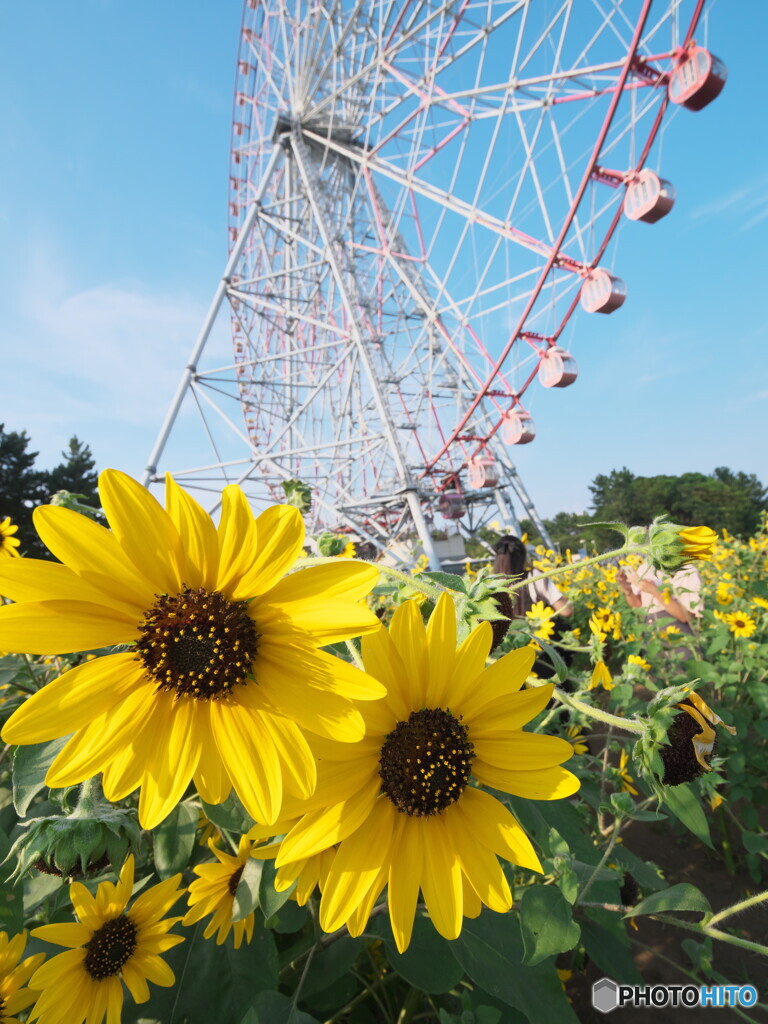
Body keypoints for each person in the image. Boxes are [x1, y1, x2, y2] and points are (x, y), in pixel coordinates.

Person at [490, 535, 572, 652]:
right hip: (539, 647)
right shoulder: (534, 577)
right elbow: (566, 610)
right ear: (523, 557)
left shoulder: (490, 585)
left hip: (508, 651)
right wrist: (569, 598)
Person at [617, 561, 703, 660]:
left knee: (684, 672)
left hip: (678, 638)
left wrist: (654, 590)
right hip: (651, 636)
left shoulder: (686, 569)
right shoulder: (645, 567)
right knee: (658, 672)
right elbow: (638, 605)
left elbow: (686, 616)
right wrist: (628, 591)